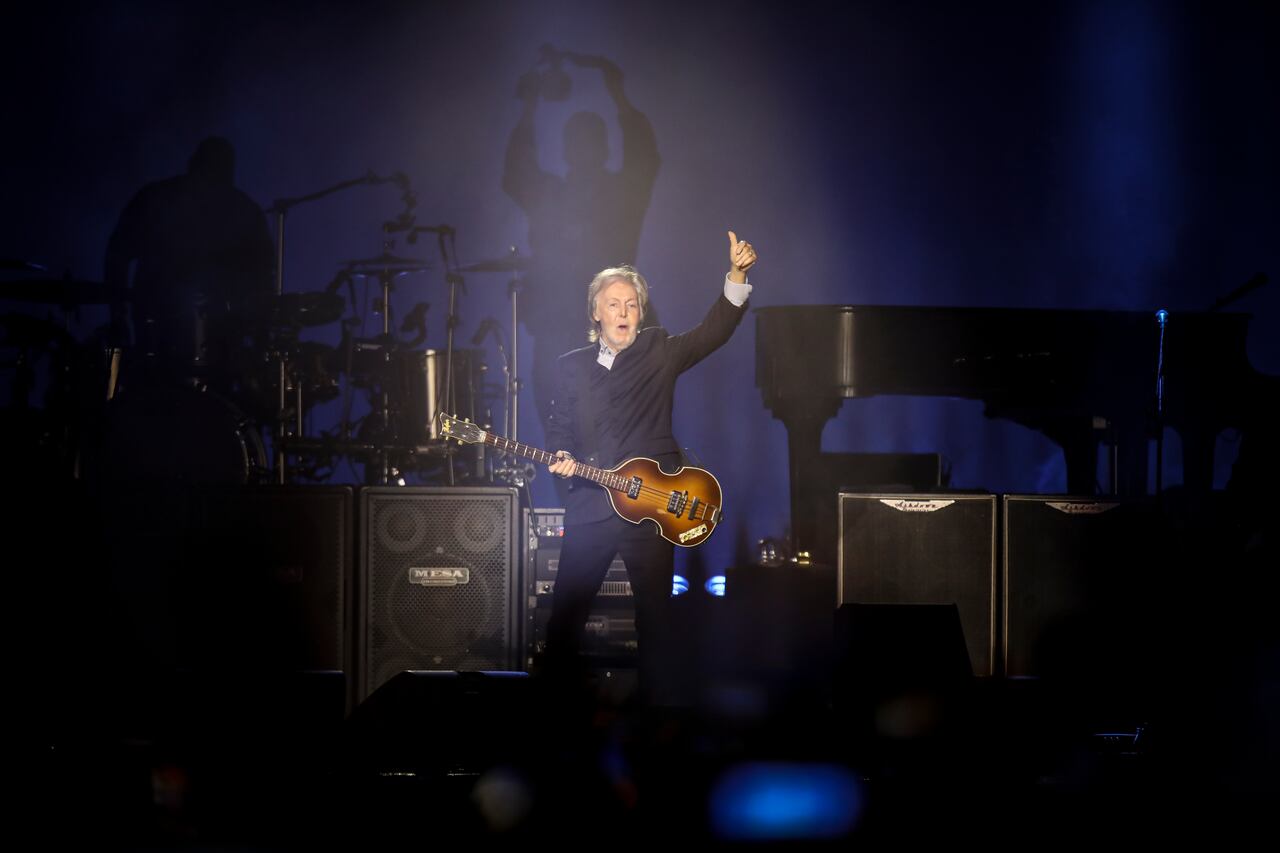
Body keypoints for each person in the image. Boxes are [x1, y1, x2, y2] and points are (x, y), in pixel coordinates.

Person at [542, 231, 758, 706]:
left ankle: (656, 723)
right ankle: (553, 717)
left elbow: (713, 332)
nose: (623, 313)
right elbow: (559, 426)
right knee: (564, 619)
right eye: (613, 304)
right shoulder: (571, 367)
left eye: (632, 305)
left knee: (657, 621)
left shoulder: (659, 350)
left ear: (641, 313)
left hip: (654, 508)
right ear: (595, 313)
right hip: (591, 508)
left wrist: (737, 275)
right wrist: (559, 455)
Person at [503, 49, 661, 450]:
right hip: (557, 323)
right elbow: (516, 173)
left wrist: (618, 94)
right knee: (562, 430)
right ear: (568, 149)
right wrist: (530, 104)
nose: (585, 150)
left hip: (618, 328)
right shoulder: (551, 195)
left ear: (604, 149)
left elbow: (644, 157)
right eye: (578, 141)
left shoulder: (619, 194)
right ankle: (579, 506)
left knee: (628, 430)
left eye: (591, 141)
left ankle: (627, 504)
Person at [104, 135, 274, 392]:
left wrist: (118, 315)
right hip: (215, 342)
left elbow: (116, 256)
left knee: (154, 399)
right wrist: (260, 340)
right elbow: (264, 281)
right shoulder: (244, 210)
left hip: (159, 335)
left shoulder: (155, 198)